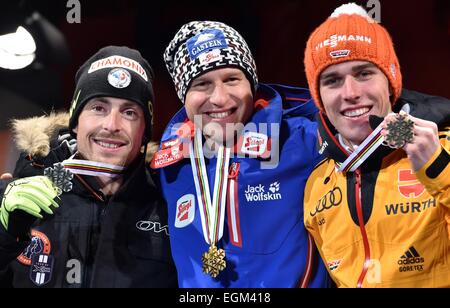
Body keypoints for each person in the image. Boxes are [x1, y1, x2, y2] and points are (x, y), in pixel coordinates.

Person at [151, 21, 330, 287]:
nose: (220, 99)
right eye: (202, 84)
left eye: (232, 79)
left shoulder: (305, 140)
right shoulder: (167, 167)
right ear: (183, 95)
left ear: (252, 83)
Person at [0, 46, 178, 287]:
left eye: (129, 112)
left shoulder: (170, 204)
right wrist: (5, 234)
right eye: (98, 108)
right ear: (75, 121)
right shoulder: (18, 191)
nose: (112, 125)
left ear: (145, 131)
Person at [302, 3, 450, 288]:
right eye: (332, 80)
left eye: (364, 73)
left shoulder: (443, 146)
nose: (351, 93)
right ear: (318, 97)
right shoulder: (316, 185)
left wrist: (440, 170)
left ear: (390, 81)